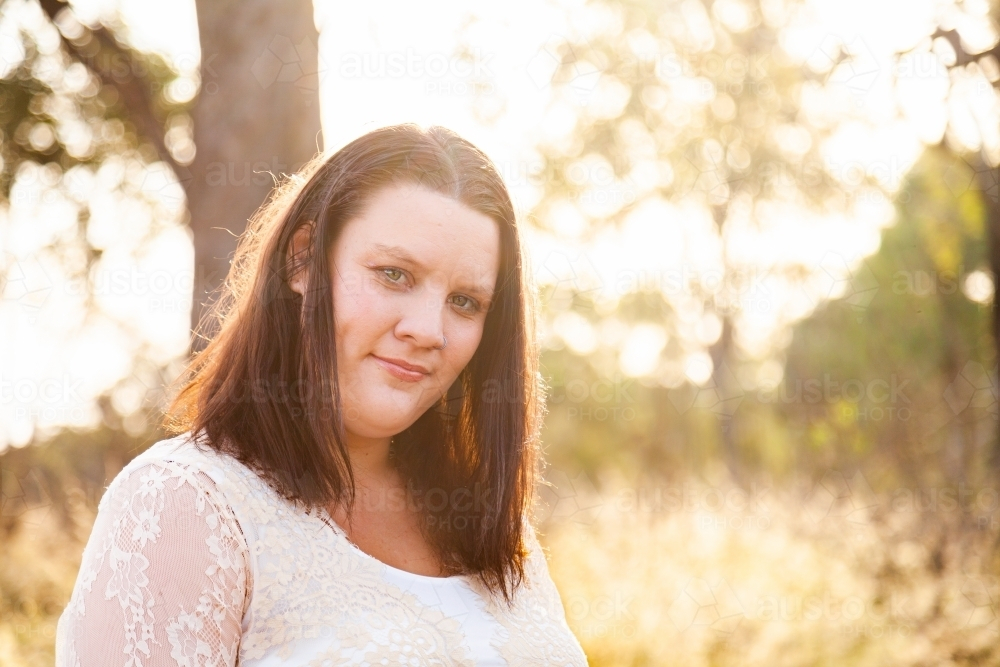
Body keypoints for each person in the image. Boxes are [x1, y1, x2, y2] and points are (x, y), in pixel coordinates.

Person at [55, 124, 589, 666]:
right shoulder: (189, 503)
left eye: (467, 301)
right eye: (394, 274)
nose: (430, 329)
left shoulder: (486, 523)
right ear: (303, 260)